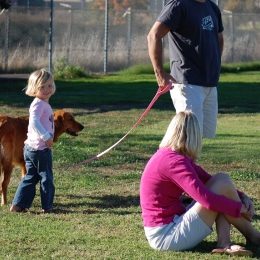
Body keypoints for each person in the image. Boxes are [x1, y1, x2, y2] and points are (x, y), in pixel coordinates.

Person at [140, 110, 260, 256]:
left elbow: (210, 179)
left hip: (171, 224)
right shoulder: (174, 162)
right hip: (165, 235)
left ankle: (226, 242)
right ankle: (254, 237)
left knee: (222, 179)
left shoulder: (173, 156)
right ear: (195, 136)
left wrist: (243, 197)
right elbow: (207, 200)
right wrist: (240, 208)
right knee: (220, 189)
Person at [147, 0, 224, 139]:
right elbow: (154, 35)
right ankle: (165, 161)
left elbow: (219, 38)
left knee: (199, 138)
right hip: (187, 83)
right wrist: (160, 73)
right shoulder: (178, 5)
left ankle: (187, 162)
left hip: (210, 84)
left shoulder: (212, 7)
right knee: (187, 138)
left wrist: (214, 66)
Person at [10, 68, 56, 214]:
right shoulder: (38, 104)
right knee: (46, 178)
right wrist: (46, 137)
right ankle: (47, 207)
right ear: (34, 89)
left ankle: (18, 205)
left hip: (31, 148)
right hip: (39, 149)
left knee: (30, 177)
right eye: (42, 87)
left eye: (49, 85)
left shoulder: (42, 103)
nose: (47, 89)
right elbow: (34, 122)